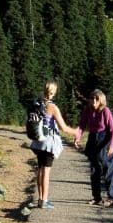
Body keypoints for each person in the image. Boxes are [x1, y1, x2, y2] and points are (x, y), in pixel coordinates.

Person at [27, 80, 76, 209]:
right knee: (46, 171)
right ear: (54, 92)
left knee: (40, 169)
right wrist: (77, 132)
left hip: (38, 142)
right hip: (48, 143)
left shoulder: (37, 104)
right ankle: (44, 200)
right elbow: (64, 128)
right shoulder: (53, 107)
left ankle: (40, 199)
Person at [76, 89, 113, 206]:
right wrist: (77, 137)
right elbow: (82, 125)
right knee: (94, 170)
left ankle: (111, 198)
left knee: (108, 168)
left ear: (101, 100)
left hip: (105, 139)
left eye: (97, 99)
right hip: (93, 139)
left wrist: (111, 146)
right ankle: (97, 198)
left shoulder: (105, 111)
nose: (94, 101)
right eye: (92, 98)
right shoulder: (88, 110)